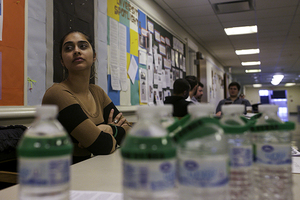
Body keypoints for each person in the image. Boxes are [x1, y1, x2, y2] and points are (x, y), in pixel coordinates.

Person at [42, 31, 130, 163]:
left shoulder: (97, 92)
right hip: (62, 175)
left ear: (94, 56)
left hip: (94, 170)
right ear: (62, 61)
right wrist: (113, 132)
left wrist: (109, 129)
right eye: (69, 48)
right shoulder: (57, 94)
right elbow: (101, 145)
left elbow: (130, 134)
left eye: (83, 46)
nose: (76, 51)